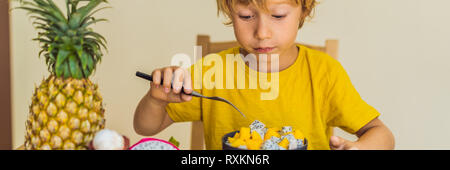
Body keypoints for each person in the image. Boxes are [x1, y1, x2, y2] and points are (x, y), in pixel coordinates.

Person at [134, 0, 395, 150]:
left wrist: (361, 148)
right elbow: (145, 127)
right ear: (229, 10)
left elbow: (382, 135)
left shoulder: (324, 73)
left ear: (304, 10)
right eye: (246, 15)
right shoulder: (212, 71)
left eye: (278, 15)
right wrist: (156, 100)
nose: (262, 32)